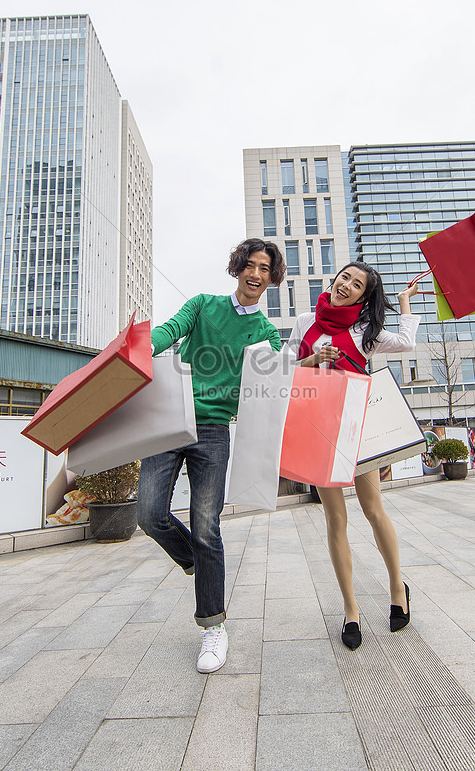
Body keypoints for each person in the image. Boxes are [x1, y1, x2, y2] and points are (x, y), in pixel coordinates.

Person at [138, 238, 285, 673]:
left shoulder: (266, 333)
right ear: (238, 268)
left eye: (264, 269)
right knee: (149, 514)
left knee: (207, 525)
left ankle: (213, 626)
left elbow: (278, 373)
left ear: (271, 280)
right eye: (250, 265)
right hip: (170, 420)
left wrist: (310, 360)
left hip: (214, 433)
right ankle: (195, 560)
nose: (255, 274)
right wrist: (139, 348)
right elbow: (168, 331)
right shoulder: (202, 305)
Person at [288, 262, 420, 650]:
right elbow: (283, 369)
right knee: (335, 518)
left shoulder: (366, 331)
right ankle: (350, 609)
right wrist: (311, 361)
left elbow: (406, 344)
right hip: (317, 427)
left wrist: (404, 305)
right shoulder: (303, 323)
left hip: (356, 426)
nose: (346, 285)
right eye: (344, 277)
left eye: (356, 284)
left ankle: (398, 587)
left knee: (373, 508)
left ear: (363, 297)